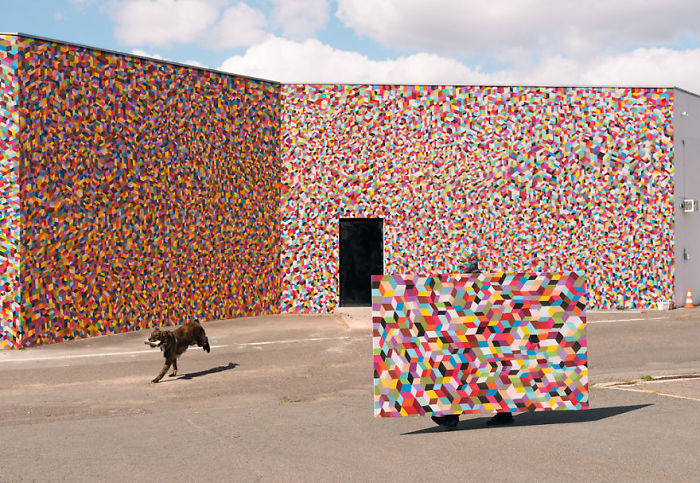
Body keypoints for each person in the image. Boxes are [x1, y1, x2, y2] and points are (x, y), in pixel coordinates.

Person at [431, 252, 514, 428]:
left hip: (482, 337)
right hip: (474, 336)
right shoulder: (467, 282)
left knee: (474, 376)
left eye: (463, 265)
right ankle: (455, 415)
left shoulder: (481, 282)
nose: (461, 268)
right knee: (475, 376)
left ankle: (453, 416)